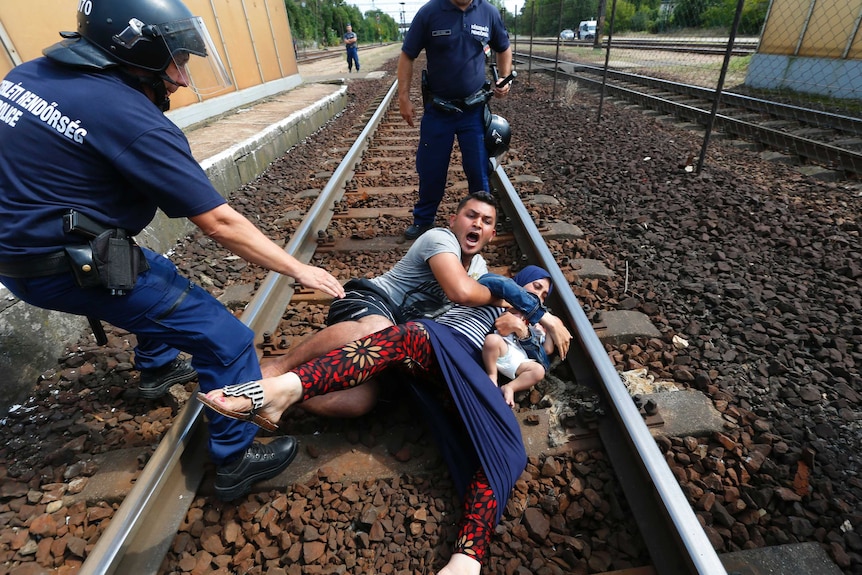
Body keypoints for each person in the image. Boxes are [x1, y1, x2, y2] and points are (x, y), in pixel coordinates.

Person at [0, 0, 345, 502]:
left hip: (16, 256)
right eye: (174, 61)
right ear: (134, 53)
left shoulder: (28, 74)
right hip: (64, 267)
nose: (181, 80)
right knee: (226, 339)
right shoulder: (129, 117)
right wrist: (299, 269)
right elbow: (221, 223)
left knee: (152, 271)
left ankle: (158, 364)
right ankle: (236, 458)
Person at [198, 266, 569, 575]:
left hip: (468, 382)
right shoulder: (489, 290)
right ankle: (287, 389)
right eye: (535, 286)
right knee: (411, 335)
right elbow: (501, 285)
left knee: (511, 453)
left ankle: (466, 559)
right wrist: (541, 314)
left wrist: (533, 335)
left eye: (545, 293)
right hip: (438, 346)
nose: (538, 294)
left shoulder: (530, 331)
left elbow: (541, 365)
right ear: (521, 282)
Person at [260, 192, 570, 417]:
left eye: (486, 221)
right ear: (454, 220)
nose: (477, 223)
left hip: (397, 338)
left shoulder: (481, 270)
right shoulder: (440, 239)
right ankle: (277, 368)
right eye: (470, 215)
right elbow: (461, 293)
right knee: (377, 330)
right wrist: (544, 316)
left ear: (490, 234)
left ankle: (283, 397)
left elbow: (493, 317)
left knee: (359, 402)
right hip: (373, 303)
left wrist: (523, 326)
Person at [397, 0, 513, 240]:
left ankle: (483, 222)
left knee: (478, 170)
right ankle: (424, 221)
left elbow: (503, 47)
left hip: (474, 110)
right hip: (438, 110)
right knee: (431, 169)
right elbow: (407, 55)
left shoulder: (488, 12)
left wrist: (504, 78)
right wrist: (403, 98)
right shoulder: (429, 13)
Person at [482, 266, 555, 408]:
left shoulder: (536, 322)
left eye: (544, 296)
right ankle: (492, 375)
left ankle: (510, 387)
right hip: (499, 348)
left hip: (516, 359)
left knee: (538, 371)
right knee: (492, 340)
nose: (538, 295)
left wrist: (551, 329)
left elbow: (547, 352)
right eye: (536, 286)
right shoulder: (502, 300)